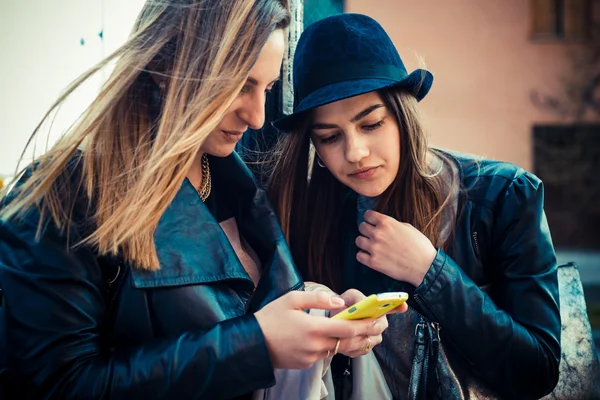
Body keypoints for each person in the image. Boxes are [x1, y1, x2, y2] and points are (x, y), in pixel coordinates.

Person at [0, 3, 398, 399]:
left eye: (268, 88)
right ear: (162, 66)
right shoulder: (61, 196)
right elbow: (58, 386)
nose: (258, 117)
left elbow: (250, 314)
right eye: (240, 84)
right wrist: (255, 345)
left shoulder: (238, 182)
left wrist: (319, 323)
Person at [268, 13, 561, 399]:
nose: (355, 152)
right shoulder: (302, 212)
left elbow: (537, 369)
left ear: (403, 115)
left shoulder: (505, 194)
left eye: (371, 124)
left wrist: (431, 271)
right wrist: (333, 333)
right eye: (329, 137)